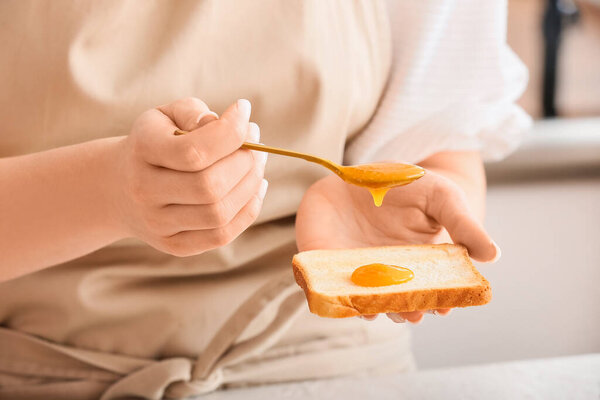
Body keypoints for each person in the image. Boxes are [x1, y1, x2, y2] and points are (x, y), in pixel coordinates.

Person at [0, 1, 530, 398]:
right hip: (43, 378)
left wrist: (408, 241)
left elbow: (440, 140)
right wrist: (104, 192)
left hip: (335, 375)